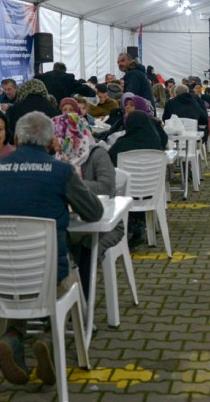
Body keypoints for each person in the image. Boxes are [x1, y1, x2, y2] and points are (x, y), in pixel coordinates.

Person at [0, 111, 103, 387]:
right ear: (50, 142)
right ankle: (48, 338)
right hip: (48, 275)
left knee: (22, 282)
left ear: (15, 138)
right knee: (64, 280)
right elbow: (94, 212)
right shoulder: (61, 172)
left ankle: (13, 336)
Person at [53, 113, 124, 301]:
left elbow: (106, 188)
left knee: (87, 249)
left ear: (70, 136)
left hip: (105, 224)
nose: (54, 142)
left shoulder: (97, 155)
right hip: (72, 223)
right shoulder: (58, 158)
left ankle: (84, 305)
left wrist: (72, 184)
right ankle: (65, 300)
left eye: (58, 136)